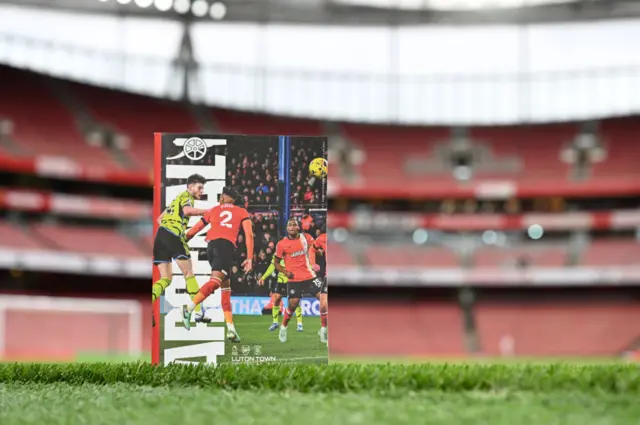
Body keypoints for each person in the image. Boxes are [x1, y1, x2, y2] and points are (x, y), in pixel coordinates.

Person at [181, 186, 254, 343]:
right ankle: (189, 307)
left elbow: (195, 229)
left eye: (223, 196)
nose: (220, 198)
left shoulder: (214, 210)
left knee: (226, 288)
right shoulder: (241, 212)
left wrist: (182, 241)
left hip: (212, 247)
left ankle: (231, 329)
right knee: (215, 282)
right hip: (224, 247)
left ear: (228, 198)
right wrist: (249, 258)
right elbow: (248, 235)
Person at [151, 174, 209, 325]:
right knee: (188, 273)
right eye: (199, 187)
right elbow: (188, 211)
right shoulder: (186, 197)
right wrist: (208, 211)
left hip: (161, 235)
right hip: (174, 235)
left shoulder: (176, 199)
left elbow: (159, 219)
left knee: (165, 279)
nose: (201, 191)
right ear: (190, 187)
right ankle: (197, 312)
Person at [273, 218, 322, 343]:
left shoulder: (306, 238)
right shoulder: (281, 244)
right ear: (287, 228)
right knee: (292, 305)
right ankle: (283, 327)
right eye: (290, 225)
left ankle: (324, 328)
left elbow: (316, 249)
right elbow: (276, 263)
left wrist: (321, 252)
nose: (292, 227)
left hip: (310, 276)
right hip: (294, 279)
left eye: (294, 225)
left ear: (298, 227)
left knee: (324, 299)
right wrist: (286, 273)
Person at [259, 257, 304, 332]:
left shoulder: (295, 249)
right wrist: (263, 277)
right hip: (281, 279)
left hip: (293, 278)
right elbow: (272, 265)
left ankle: (299, 324)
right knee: (277, 298)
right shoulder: (278, 250)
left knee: (295, 302)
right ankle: (275, 322)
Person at [313, 225, 328, 344]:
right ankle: (323, 329)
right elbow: (312, 249)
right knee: (323, 305)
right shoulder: (322, 238)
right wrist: (313, 263)